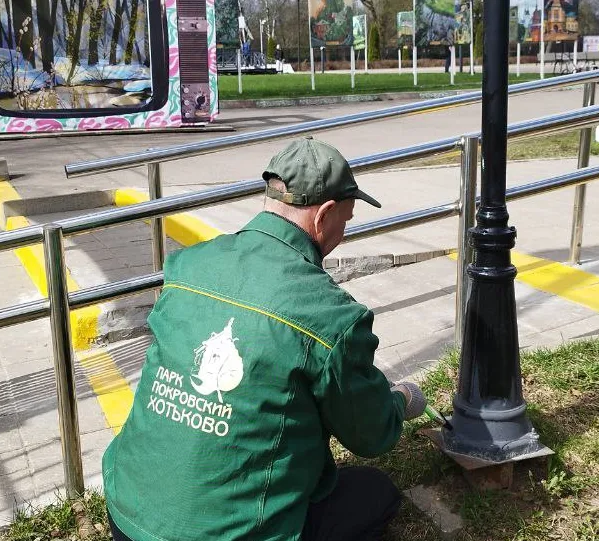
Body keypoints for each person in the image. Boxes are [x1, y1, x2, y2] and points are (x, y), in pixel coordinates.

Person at [102, 137, 428, 541]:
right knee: (377, 494)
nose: (345, 229)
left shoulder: (186, 264)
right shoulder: (331, 316)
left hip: (127, 515)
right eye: (347, 218)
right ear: (324, 215)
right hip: (229, 534)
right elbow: (371, 434)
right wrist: (402, 400)